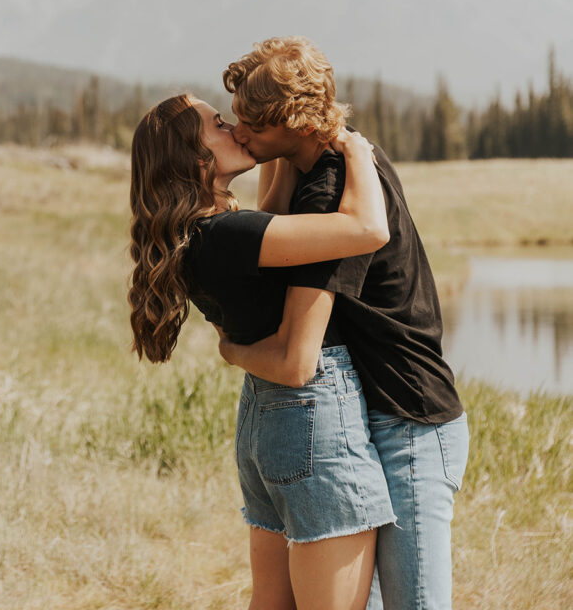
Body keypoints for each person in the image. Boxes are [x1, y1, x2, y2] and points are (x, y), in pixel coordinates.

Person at [218, 36, 470, 610]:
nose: (238, 133)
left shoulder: (338, 189)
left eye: (252, 124)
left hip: (409, 418)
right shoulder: (324, 163)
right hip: (372, 409)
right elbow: (271, 232)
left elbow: (294, 346)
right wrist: (272, 154)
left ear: (300, 122)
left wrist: (231, 351)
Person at [128, 94, 396, 610]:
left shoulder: (201, 235)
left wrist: (282, 141)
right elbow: (368, 230)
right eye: (220, 125)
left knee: (270, 602)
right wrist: (358, 152)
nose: (236, 129)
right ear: (195, 157)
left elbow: (272, 220)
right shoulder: (231, 235)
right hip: (313, 420)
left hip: (265, 423)